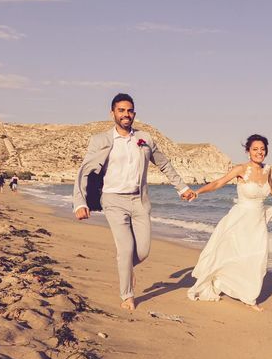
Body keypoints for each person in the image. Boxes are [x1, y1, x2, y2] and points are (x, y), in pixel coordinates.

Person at [73, 93, 196, 311]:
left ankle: (126, 269)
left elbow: (165, 164)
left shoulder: (145, 138)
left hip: (140, 200)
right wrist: (80, 202)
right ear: (112, 113)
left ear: (134, 113)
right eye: (121, 110)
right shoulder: (100, 140)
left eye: (129, 110)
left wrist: (182, 188)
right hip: (113, 200)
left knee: (143, 251)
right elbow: (84, 171)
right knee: (126, 248)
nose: (125, 114)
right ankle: (127, 295)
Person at [187, 134, 272, 311]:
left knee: (257, 256)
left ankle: (249, 296)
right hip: (239, 220)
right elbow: (218, 182)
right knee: (227, 253)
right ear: (248, 151)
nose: (259, 152)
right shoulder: (240, 169)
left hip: (257, 222)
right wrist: (198, 192)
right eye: (255, 149)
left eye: (262, 149)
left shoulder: (268, 169)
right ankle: (219, 281)